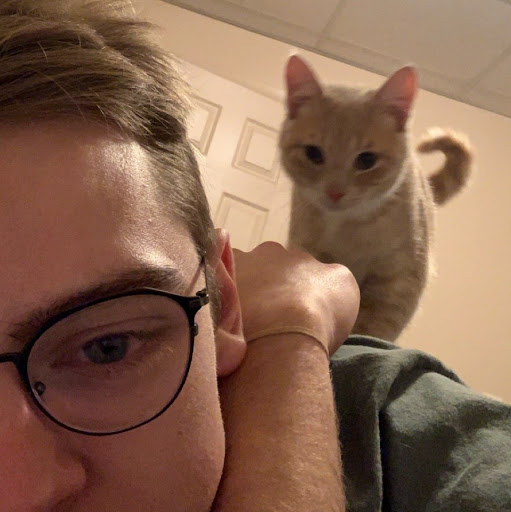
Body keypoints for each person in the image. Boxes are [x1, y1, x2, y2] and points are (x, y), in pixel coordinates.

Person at [0, 2, 509, 512]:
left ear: (224, 294)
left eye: (106, 347)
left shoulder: (399, 422)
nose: (18, 495)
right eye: (315, 156)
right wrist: (288, 339)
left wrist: (335, 349)